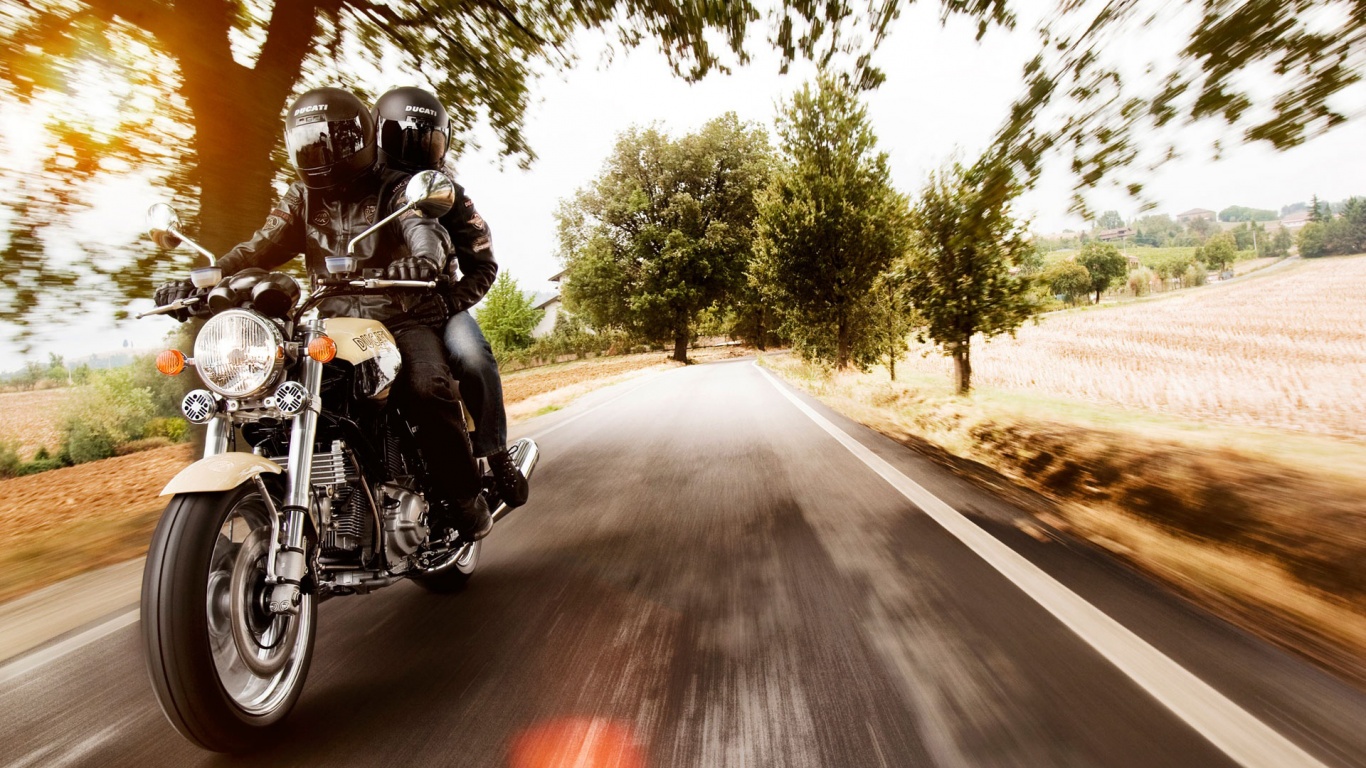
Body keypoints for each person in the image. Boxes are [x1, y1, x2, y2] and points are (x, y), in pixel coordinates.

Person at [153, 87, 492, 540]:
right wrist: (199, 282)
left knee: (427, 388)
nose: (321, 153)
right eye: (309, 142)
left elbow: (420, 227)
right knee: (264, 396)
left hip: (398, 316)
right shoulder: (301, 197)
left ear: (360, 139)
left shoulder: (395, 185)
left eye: (332, 141)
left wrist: (422, 261)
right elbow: (258, 248)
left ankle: (465, 499)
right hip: (327, 322)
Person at [372, 86, 528, 510]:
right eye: (408, 136)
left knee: (473, 358)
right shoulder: (361, 192)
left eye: (429, 138)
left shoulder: (450, 194)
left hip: (438, 307)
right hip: (371, 313)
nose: (419, 147)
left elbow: (483, 265)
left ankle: (496, 454)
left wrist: (450, 302)